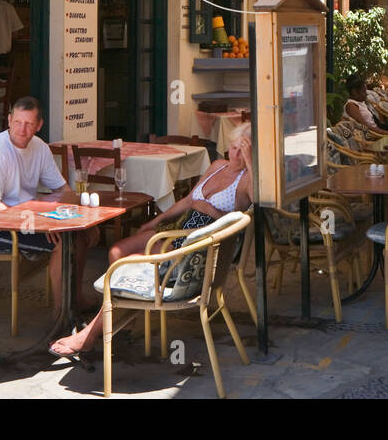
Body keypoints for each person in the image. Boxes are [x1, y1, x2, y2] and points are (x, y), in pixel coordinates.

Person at [47, 124, 254, 362]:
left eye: (242, 150)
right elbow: (188, 200)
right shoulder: (218, 166)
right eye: (234, 147)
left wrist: (249, 163)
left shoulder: (248, 179)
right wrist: (157, 219)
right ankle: (126, 319)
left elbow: (256, 202)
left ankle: (89, 335)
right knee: (117, 250)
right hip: (177, 227)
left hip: (193, 243)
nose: (235, 154)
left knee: (128, 265)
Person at [0, 97, 98, 315]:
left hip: (25, 219)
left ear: (39, 125)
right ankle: (61, 314)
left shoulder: (40, 148)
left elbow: (64, 191)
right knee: (64, 242)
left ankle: (76, 299)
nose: (22, 130)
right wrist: (37, 224)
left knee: (80, 235)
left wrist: (81, 220)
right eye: (17, 122)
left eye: (28, 124)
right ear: (8, 120)